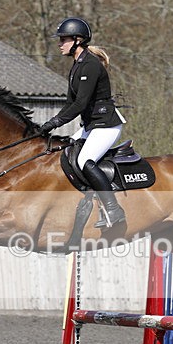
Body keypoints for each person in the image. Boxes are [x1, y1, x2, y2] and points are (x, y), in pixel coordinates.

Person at [39, 17, 126, 228]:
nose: (60, 44)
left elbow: (80, 103)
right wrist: (49, 124)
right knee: (65, 152)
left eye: (64, 39)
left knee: (84, 160)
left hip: (107, 125)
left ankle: (114, 210)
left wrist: (54, 122)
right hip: (92, 126)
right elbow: (70, 103)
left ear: (78, 40)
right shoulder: (77, 66)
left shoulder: (90, 65)